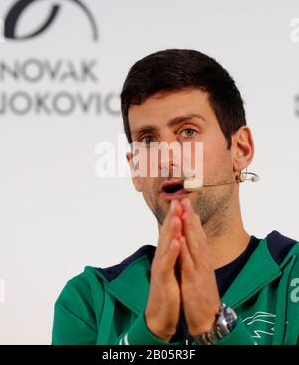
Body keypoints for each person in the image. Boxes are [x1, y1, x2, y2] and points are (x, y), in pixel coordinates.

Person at [51, 49, 299, 345]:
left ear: (240, 150)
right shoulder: (87, 300)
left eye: (188, 132)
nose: (166, 157)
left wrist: (213, 325)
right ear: (135, 170)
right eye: (148, 140)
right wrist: (150, 330)